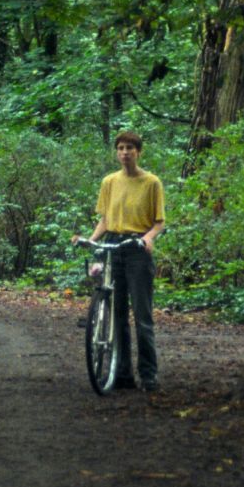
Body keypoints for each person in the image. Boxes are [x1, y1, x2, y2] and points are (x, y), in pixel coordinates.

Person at [74, 131, 166, 392]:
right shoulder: (109, 182)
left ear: (139, 152)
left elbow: (159, 222)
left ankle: (149, 375)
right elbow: (105, 219)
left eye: (130, 148)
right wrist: (91, 241)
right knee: (117, 315)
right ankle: (122, 374)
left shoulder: (151, 183)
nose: (125, 152)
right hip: (114, 244)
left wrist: (148, 238)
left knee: (142, 315)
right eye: (121, 148)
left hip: (136, 247)